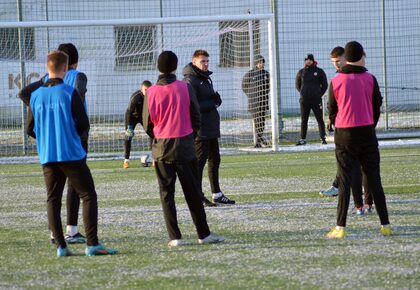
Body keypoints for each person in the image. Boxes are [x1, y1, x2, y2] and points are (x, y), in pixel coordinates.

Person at [21, 50, 117, 256]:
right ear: (65, 68)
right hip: (71, 153)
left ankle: (61, 247)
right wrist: (70, 135)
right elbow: (84, 124)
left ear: (47, 69)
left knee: (52, 199)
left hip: (48, 155)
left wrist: (47, 137)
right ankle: (92, 244)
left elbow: (29, 128)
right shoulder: (69, 92)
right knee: (88, 195)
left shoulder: (36, 95)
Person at [142, 50, 225, 247]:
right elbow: (195, 115)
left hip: (162, 148)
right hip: (185, 146)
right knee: (193, 192)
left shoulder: (151, 92)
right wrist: (190, 135)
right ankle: (203, 234)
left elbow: (147, 123)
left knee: (166, 194)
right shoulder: (184, 87)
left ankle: (175, 237)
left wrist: (158, 137)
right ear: (175, 67)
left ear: (158, 68)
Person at [18, 43, 89, 244]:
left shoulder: (46, 80)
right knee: (79, 188)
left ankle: (56, 235)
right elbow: (79, 97)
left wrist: (44, 118)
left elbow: (24, 93)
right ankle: (72, 230)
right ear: (73, 63)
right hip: (75, 138)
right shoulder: (78, 76)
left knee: (53, 195)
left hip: (50, 143)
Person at [326, 41, 392, 238]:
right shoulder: (370, 78)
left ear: (346, 57)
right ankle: (385, 224)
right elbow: (376, 106)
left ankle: (340, 227)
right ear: (362, 55)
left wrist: (338, 123)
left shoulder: (336, 80)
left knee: (345, 180)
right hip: (366, 132)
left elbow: (332, 110)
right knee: (374, 179)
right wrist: (370, 125)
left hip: (344, 133)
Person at [319, 46, 374, 215]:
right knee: (356, 167)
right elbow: (333, 106)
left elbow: (374, 101)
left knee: (360, 168)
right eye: (333, 62)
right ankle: (362, 204)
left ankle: (363, 204)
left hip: (356, 128)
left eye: (338, 61)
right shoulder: (339, 79)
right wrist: (333, 121)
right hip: (348, 128)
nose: (336, 65)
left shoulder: (360, 77)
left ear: (346, 58)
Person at [183, 49, 235, 206]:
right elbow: (193, 106)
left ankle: (217, 194)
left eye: (207, 61)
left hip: (211, 127)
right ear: (194, 62)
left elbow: (208, 101)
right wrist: (212, 103)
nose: (205, 64)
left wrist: (216, 101)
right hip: (201, 129)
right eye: (202, 61)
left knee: (215, 159)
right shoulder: (190, 80)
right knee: (199, 163)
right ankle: (197, 196)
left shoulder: (205, 78)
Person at [295, 53, 328, 145]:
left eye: (310, 59)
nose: (308, 61)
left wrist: (318, 94)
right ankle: (303, 139)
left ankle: (323, 138)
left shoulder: (319, 71)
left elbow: (325, 85)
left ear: (313, 60)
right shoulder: (301, 72)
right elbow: (298, 85)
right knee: (304, 120)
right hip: (304, 100)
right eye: (306, 60)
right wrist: (303, 93)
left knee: (320, 119)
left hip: (316, 100)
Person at [242, 55, 270, 148]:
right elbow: (244, 86)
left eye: (263, 62)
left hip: (263, 101)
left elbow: (268, 87)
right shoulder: (250, 74)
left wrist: (263, 94)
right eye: (260, 62)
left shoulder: (266, 74)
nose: (261, 64)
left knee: (262, 122)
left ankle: (260, 139)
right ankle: (259, 141)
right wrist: (251, 95)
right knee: (257, 121)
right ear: (256, 63)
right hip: (253, 102)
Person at [123, 80, 152, 169]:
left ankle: (154, 158)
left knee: (153, 134)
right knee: (128, 136)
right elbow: (128, 112)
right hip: (132, 117)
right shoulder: (136, 97)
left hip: (144, 117)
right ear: (141, 89)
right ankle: (126, 160)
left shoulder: (152, 96)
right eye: (145, 89)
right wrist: (128, 127)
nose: (147, 92)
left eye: (149, 90)